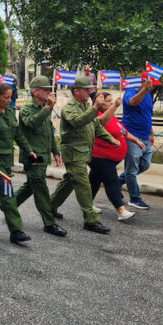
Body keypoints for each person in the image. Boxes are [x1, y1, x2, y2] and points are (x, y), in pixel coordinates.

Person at [50, 76, 120, 234]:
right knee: (83, 184)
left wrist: (110, 139)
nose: (90, 91)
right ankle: (91, 219)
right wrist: (95, 108)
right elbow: (77, 122)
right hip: (74, 154)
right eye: (87, 89)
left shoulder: (85, 106)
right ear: (77, 91)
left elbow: (95, 125)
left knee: (69, 181)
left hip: (83, 153)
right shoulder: (69, 107)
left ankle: (49, 207)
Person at [0, 82, 38, 245]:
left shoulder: (10, 113)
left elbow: (18, 134)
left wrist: (29, 150)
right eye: (6, 97)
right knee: (7, 194)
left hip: (5, 159)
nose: (9, 100)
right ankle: (16, 230)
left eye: (11, 97)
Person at [13, 76, 68, 237]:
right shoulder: (27, 109)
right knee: (40, 187)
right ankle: (49, 223)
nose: (49, 92)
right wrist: (48, 108)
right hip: (32, 155)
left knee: (32, 184)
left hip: (43, 154)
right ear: (35, 92)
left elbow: (48, 133)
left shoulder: (45, 108)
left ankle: (10, 205)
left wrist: (55, 152)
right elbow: (32, 123)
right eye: (45, 90)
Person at [90, 92, 140, 222]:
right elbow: (101, 122)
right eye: (108, 101)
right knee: (112, 181)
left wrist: (136, 141)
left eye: (112, 100)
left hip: (109, 158)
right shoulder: (97, 115)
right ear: (100, 102)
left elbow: (124, 132)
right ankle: (121, 211)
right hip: (101, 157)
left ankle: (87, 204)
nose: (111, 103)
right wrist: (115, 106)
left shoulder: (112, 116)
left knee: (94, 181)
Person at [119, 74, 156, 210]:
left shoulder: (147, 95)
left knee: (145, 164)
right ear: (140, 82)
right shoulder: (130, 92)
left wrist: (151, 133)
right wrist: (144, 90)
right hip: (132, 135)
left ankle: (118, 181)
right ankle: (134, 198)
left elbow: (148, 115)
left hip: (145, 136)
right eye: (146, 81)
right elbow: (133, 102)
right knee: (132, 168)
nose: (149, 83)